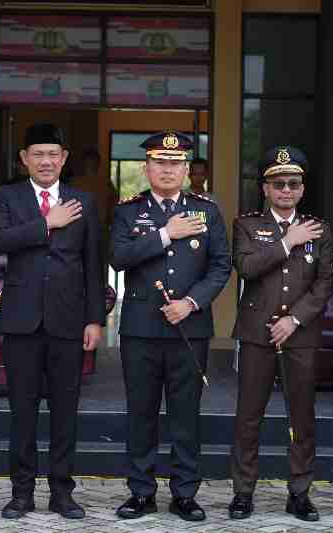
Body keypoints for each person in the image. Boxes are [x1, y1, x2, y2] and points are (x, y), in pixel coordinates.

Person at [111, 131, 230, 522]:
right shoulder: (128, 210)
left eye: (175, 163)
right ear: (147, 168)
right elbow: (118, 257)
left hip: (189, 329)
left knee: (185, 415)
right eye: (160, 162)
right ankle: (141, 492)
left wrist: (191, 302)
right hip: (141, 330)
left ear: (186, 169)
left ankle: (184, 494)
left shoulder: (206, 210)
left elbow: (220, 266)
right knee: (141, 413)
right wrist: (166, 234)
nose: (167, 169)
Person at [0, 123, 105, 520]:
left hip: (69, 321)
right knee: (22, 411)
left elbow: (93, 264)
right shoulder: (7, 196)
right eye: (37, 154)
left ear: (64, 158)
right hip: (21, 321)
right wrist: (46, 224)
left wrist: (95, 319)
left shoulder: (83, 201)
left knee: (64, 411)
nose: (46, 161)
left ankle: (62, 492)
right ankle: (21, 493)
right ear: (23, 159)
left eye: (53, 154)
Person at [229, 146, 333, 522]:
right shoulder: (246, 225)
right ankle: (243, 492)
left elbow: (325, 283)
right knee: (248, 417)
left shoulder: (319, 229)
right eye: (278, 184)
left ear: (302, 189)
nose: (286, 190)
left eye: (293, 184)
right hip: (257, 333)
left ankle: (300, 493)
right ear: (266, 189)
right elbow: (246, 267)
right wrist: (288, 241)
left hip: (300, 335)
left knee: (302, 417)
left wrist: (295, 320)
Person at [71, 149, 118, 275]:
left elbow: (114, 208)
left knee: (80, 266)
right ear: (98, 164)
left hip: (81, 230)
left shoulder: (74, 183)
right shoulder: (106, 184)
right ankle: (102, 290)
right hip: (96, 230)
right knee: (99, 267)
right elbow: (114, 209)